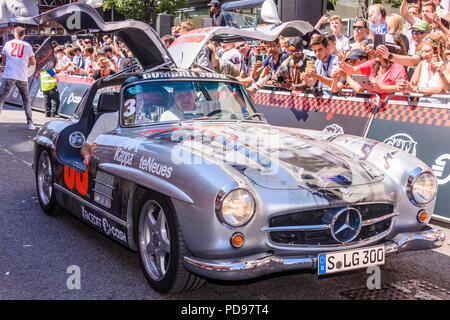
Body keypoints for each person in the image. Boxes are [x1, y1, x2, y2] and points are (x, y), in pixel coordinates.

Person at [0, 27, 36, 130]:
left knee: (1, 98)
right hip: (22, 76)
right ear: (24, 35)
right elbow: (33, 62)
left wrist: (3, 66)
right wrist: (25, 63)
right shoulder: (27, 46)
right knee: (26, 100)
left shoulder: (8, 44)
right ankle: (30, 123)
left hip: (9, 75)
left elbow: (4, 59)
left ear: (14, 34)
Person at [398, 36, 447, 102]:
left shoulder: (447, 65)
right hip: (423, 109)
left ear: (438, 50)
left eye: (427, 51)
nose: (423, 55)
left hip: (441, 109)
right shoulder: (422, 65)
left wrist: (415, 89)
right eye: (422, 51)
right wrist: (405, 87)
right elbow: (412, 86)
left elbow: (441, 89)